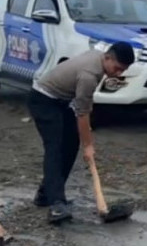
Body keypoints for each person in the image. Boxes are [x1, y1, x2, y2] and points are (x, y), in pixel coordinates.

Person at [28, 42, 135, 224]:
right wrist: (89, 146)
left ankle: (46, 194)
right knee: (55, 147)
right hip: (43, 100)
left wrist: (84, 142)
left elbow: (83, 106)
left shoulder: (98, 59)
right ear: (107, 58)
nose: (119, 73)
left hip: (61, 101)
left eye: (123, 70)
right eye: (117, 68)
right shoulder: (89, 75)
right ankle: (56, 204)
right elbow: (82, 114)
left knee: (70, 144)